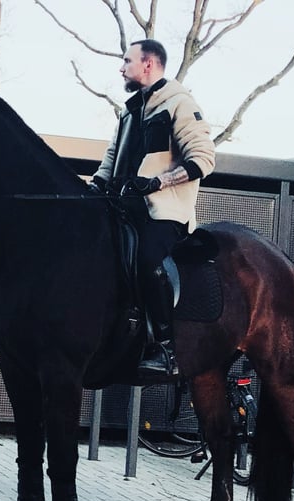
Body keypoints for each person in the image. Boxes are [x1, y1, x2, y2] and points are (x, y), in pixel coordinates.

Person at [91, 39, 216, 377]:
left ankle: (165, 348)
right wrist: (94, 187)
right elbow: (110, 160)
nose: (122, 68)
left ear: (148, 64)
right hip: (121, 208)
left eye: (127, 61)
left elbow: (204, 159)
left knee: (148, 259)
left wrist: (156, 183)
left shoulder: (179, 102)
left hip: (161, 213)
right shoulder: (129, 111)